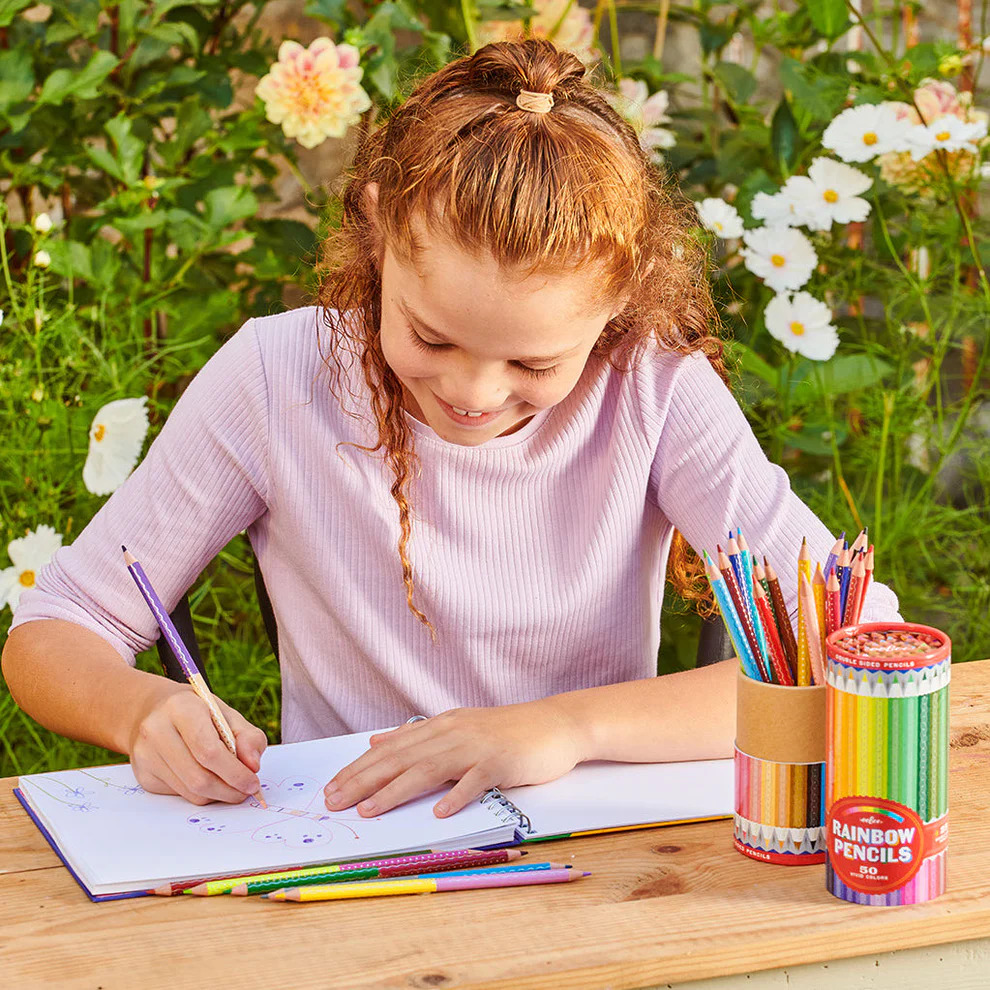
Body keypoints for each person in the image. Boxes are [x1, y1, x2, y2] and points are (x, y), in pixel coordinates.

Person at [1, 40, 899, 821]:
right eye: (431, 335)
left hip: (602, 852)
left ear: (619, 304)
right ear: (382, 230)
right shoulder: (280, 376)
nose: (471, 392)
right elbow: (56, 625)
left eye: (535, 365)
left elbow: (858, 642)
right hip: (355, 846)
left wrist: (562, 728)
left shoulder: (652, 387)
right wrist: (140, 711)